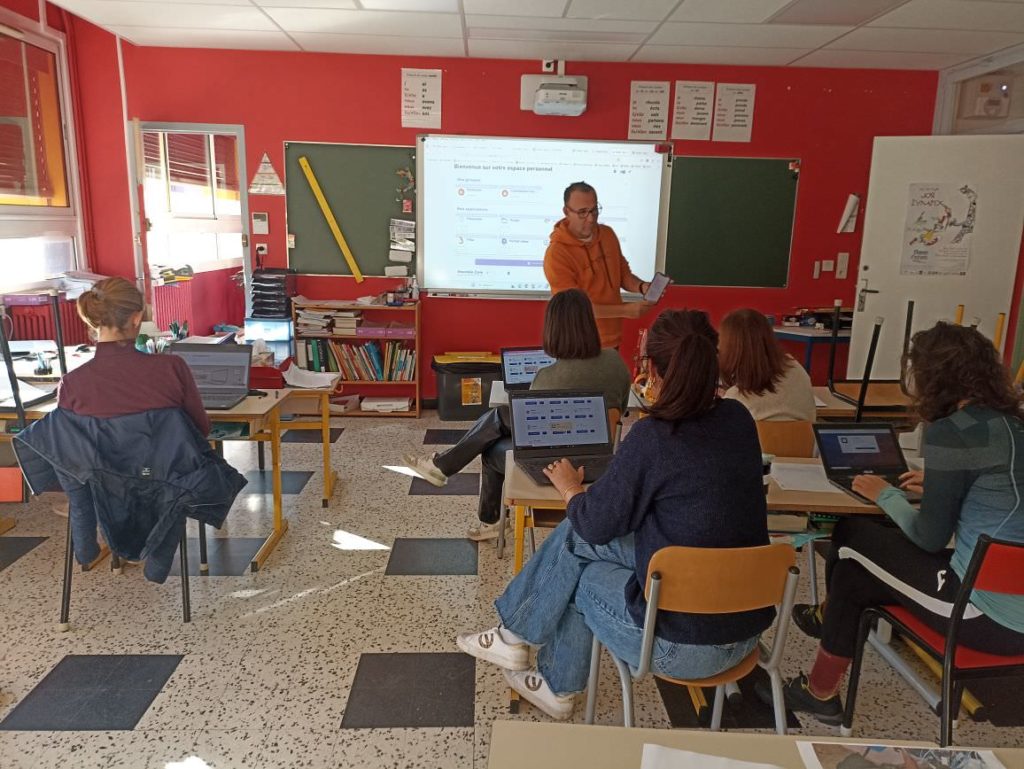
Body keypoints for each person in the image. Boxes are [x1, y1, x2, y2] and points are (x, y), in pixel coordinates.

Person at [456, 309, 772, 720]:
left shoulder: (655, 437)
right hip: (747, 630)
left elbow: (595, 522)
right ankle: (521, 645)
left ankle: (538, 664)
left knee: (580, 560)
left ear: (653, 373)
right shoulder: (739, 419)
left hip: (685, 646)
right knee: (580, 542)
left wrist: (570, 487)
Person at [773, 322, 1024, 725]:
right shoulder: (1013, 424)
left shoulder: (953, 432)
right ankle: (821, 685)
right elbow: (1002, 498)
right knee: (856, 573)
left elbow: (928, 538)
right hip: (1012, 600)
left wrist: (883, 495)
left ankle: (826, 629)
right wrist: (943, 487)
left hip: (983, 613)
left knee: (851, 535)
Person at [401, 289, 630, 541]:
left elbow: (532, 434)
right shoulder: (615, 362)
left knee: (491, 446)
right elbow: (621, 406)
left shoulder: (546, 377)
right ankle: (443, 468)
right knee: (502, 416)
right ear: (590, 323)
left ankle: (485, 513)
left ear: (552, 329)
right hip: (603, 462)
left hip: (554, 469)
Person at [59, 277, 210, 436]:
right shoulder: (171, 368)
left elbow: (67, 443)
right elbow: (201, 429)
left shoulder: (71, 384)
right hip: (168, 460)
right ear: (136, 318)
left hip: (102, 462)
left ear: (93, 320)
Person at [544, 181, 655, 349]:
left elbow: (623, 275)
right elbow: (575, 310)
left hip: (613, 339)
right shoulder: (557, 254)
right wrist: (625, 310)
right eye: (582, 212)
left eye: (594, 210)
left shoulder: (607, 234)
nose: (591, 218)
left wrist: (642, 287)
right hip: (581, 344)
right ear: (566, 212)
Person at [718, 308, 815, 421]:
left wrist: (726, 397)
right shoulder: (795, 367)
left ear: (729, 348)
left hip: (759, 439)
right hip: (805, 438)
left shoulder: (735, 400)